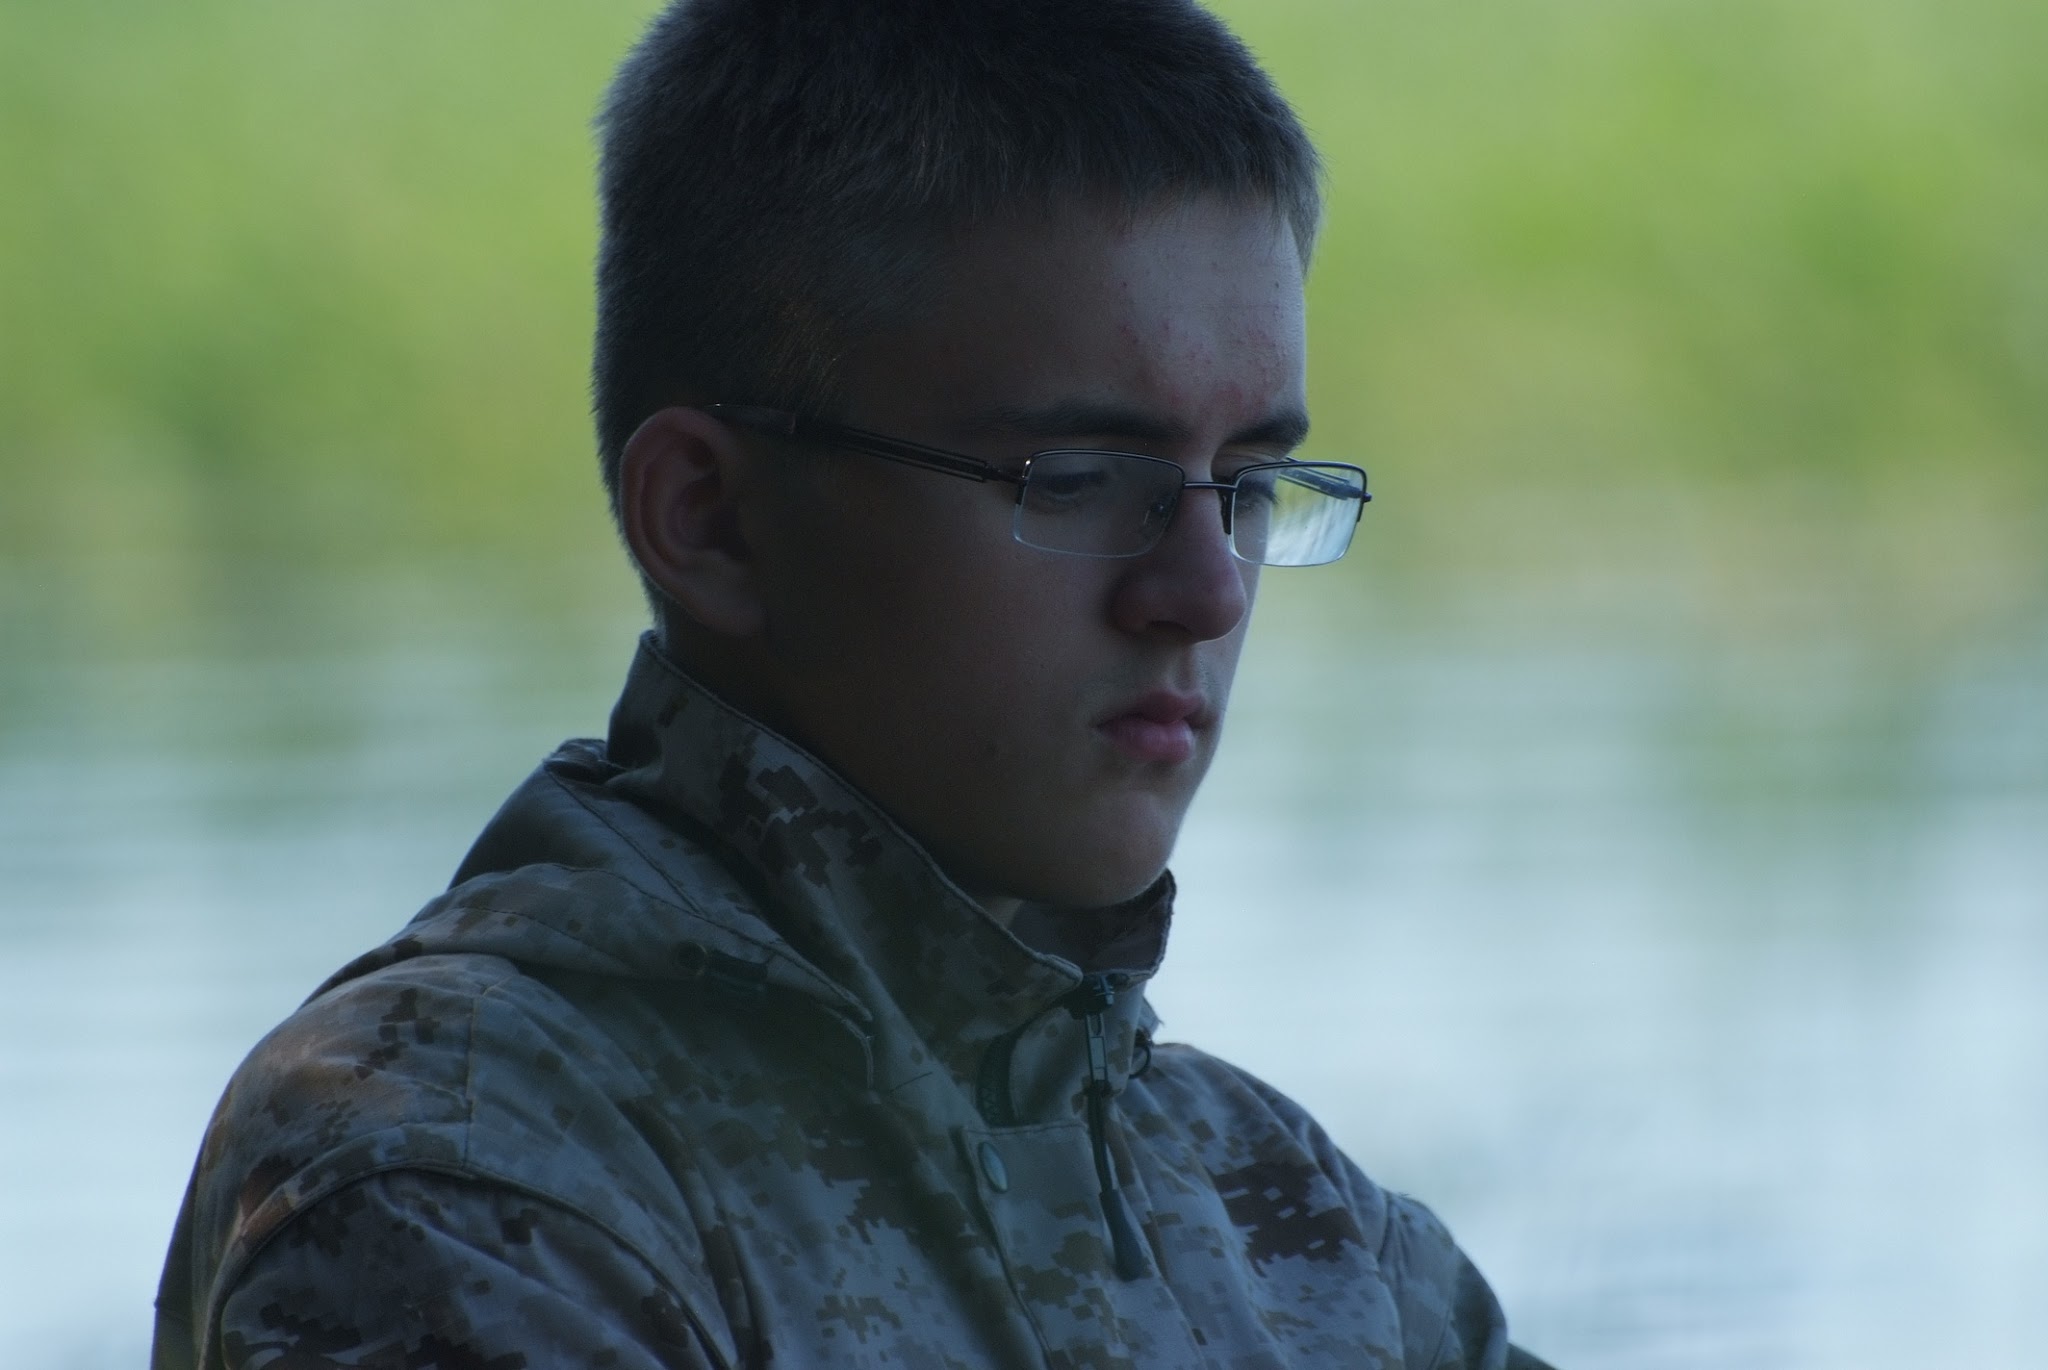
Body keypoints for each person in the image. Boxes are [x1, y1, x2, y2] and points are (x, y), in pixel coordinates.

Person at [153, 1, 1552, 1366]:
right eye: (1076, 477)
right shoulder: (459, 1171)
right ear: (712, 519)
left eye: (1246, 484)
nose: (1207, 591)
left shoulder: (1303, 1226)